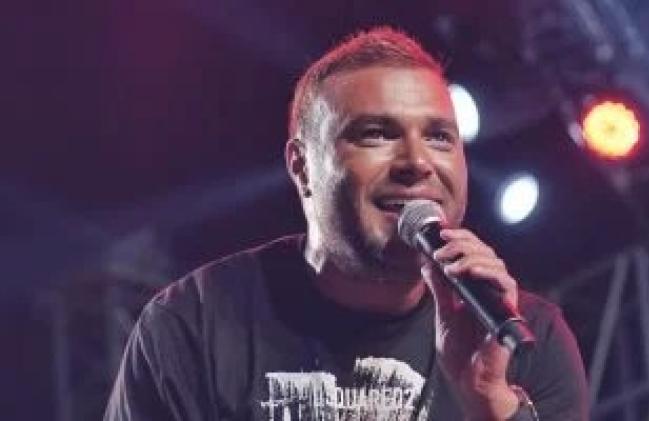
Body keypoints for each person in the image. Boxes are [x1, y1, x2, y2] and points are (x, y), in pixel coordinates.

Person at [104, 27, 589, 421]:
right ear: (302, 167)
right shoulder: (194, 324)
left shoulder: (522, 338)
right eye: (376, 134)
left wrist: (490, 402)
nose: (417, 161)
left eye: (439, 137)